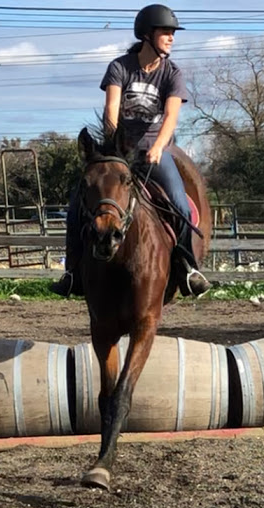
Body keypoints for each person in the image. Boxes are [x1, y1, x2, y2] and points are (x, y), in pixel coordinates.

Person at [51, 4, 210, 298]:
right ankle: (72, 271)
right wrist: (113, 147)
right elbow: (111, 109)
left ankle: (188, 267)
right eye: (166, 32)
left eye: (172, 33)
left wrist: (160, 147)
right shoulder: (120, 67)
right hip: (119, 150)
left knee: (179, 201)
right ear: (147, 35)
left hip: (155, 150)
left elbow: (171, 116)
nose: (171, 38)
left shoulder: (172, 74)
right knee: (77, 203)